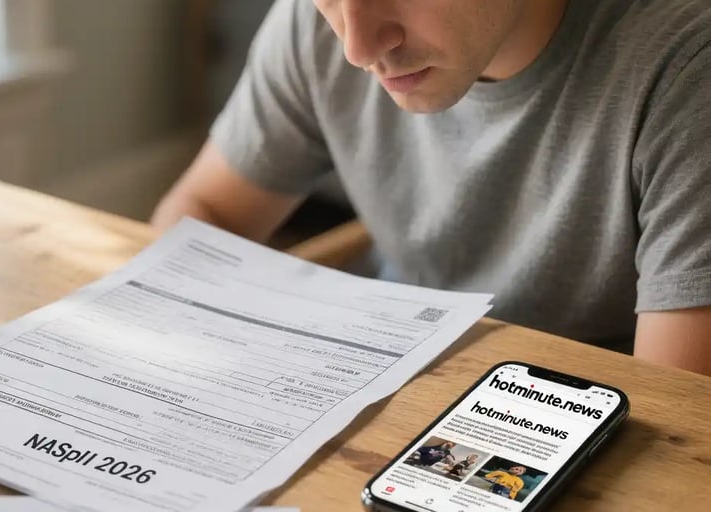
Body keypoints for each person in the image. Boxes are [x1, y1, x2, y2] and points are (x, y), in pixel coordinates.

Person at [152, 0, 711, 375]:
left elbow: (673, 425)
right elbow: (204, 214)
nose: (359, 47)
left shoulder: (686, 70)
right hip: (392, 381)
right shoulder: (310, 24)